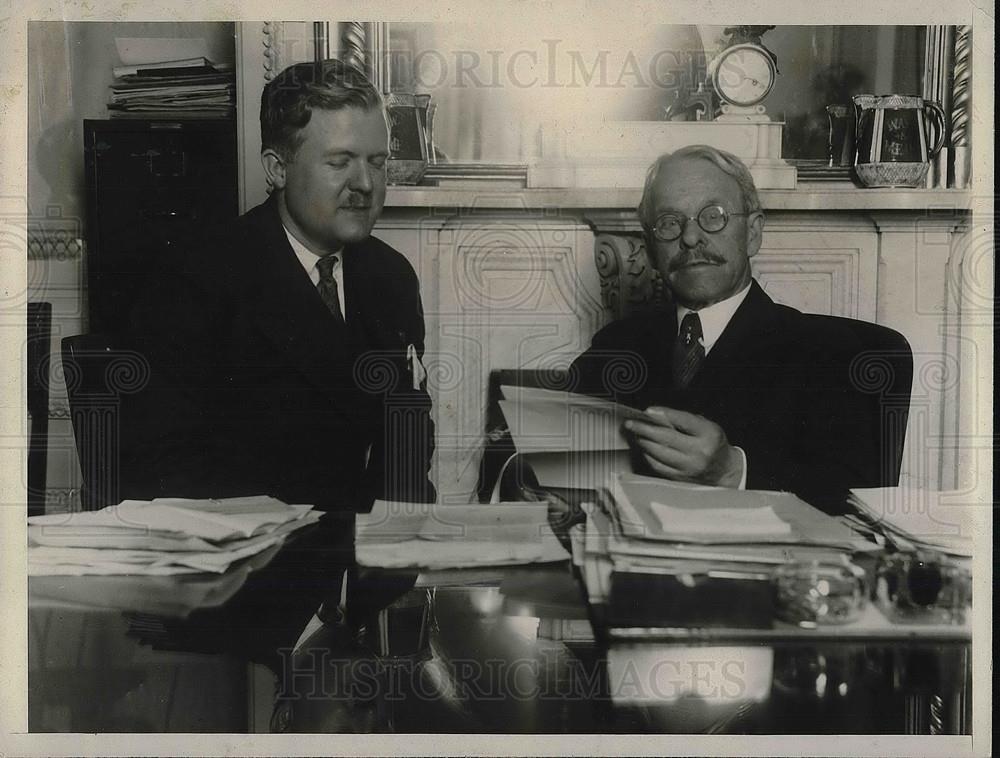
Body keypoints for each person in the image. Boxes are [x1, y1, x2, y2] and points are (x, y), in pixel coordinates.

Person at [124, 59, 436, 520]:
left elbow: (408, 442)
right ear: (277, 169)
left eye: (377, 162)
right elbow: (166, 468)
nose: (365, 184)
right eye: (340, 162)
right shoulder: (195, 279)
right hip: (253, 550)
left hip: (369, 549)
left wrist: (400, 539)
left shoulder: (392, 276)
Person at [568, 144, 887, 498]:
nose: (690, 238)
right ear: (651, 248)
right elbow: (553, 446)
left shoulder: (829, 352)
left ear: (752, 233)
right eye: (669, 223)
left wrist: (733, 472)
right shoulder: (615, 345)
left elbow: (856, 496)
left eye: (713, 215)